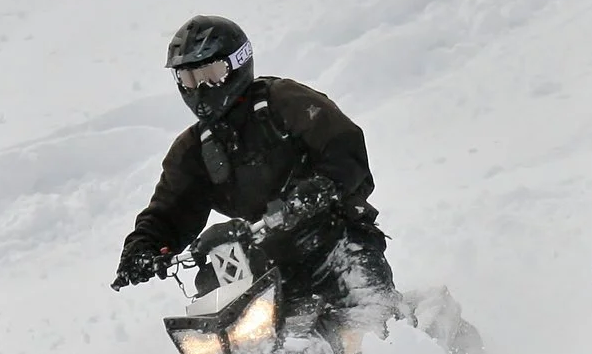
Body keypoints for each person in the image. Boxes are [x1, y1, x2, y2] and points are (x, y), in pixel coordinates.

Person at [112, 16, 396, 308]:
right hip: (266, 262)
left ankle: (395, 329)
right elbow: (170, 211)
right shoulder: (192, 150)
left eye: (211, 74)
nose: (200, 89)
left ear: (238, 64)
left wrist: (318, 190)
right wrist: (142, 248)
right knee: (212, 309)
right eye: (189, 79)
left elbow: (343, 145)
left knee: (371, 311)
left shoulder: (283, 101)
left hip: (336, 239)